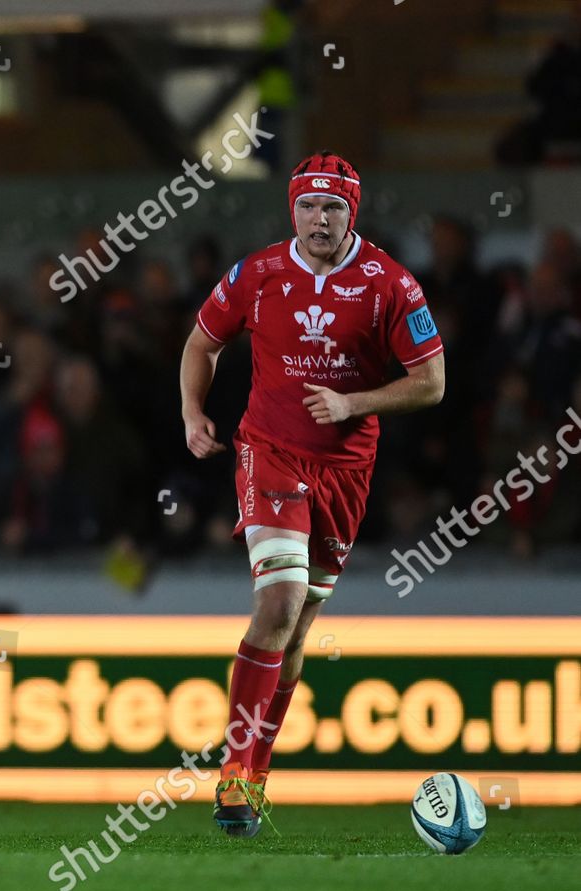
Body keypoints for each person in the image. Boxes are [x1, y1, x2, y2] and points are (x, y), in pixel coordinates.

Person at [180, 152, 445, 836]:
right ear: (290, 209)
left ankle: (258, 771)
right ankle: (234, 776)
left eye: (332, 208)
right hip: (267, 452)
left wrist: (354, 400)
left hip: (346, 471)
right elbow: (202, 343)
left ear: (351, 213)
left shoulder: (390, 283)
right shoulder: (257, 273)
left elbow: (431, 380)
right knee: (279, 601)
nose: (318, 219)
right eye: (307, 206)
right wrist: (193, 413)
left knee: (297, 627)